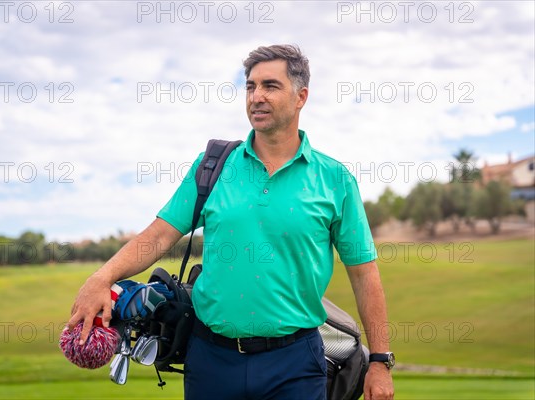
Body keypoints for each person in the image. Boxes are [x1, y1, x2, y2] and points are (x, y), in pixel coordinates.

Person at [68, 44, 395, 400]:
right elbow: (160, 236)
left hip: (295, 363)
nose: (257, 96)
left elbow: (364, 273)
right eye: (250, 86)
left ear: (301, 97)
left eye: (270, 86)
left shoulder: (335, 179)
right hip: (211, 359)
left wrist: (379, 361)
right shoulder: (213, 165)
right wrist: (101, 278)